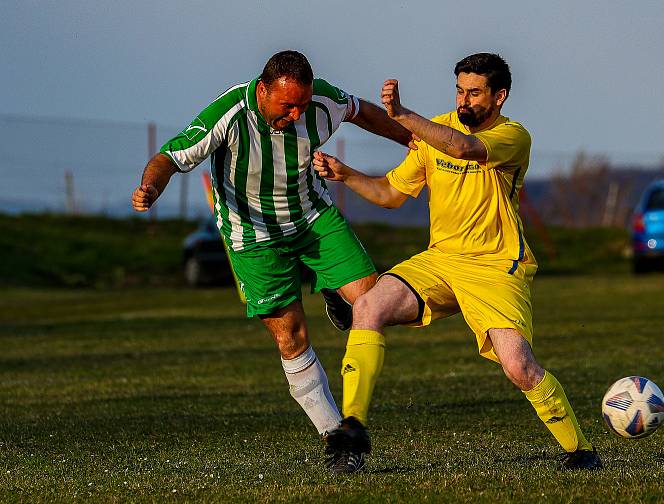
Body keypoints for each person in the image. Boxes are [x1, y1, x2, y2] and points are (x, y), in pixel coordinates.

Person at [313, 53, 601, 473]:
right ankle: (353, 425)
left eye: (474, 93)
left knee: (519, 367)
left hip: (495, 267)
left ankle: (581, 450)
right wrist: (347, 174)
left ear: (499, 96)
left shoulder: (513, 135)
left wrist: (403, 116)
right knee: (368, 306)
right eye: (460, 91)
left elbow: (463, 148)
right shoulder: (435, 129)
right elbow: (391, 195)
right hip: (440, 261)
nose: (464, 101)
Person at [131, 50, 412, 470]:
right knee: (291, 337)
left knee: (376, 304)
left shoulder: (320, 103)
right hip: (254, 238)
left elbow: (363, 112)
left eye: (302, 104)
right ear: (263, 91)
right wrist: (149, 188)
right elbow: (168, 158)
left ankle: (336, 293)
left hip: (314, 219)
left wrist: (413, 139)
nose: (297, 114)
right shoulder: (228, 113)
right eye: (287, 105)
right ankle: (340, 440)